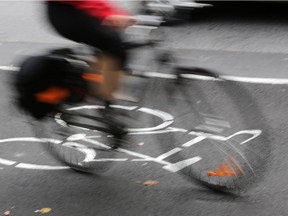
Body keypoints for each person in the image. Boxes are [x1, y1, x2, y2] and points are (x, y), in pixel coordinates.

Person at [45, 0, 136, 104]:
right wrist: (109, 13)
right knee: (115, 47)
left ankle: (100, 84)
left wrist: (110, 12)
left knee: (111, 45)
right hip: (67, 12)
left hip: (72, 9)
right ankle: (107, 96)